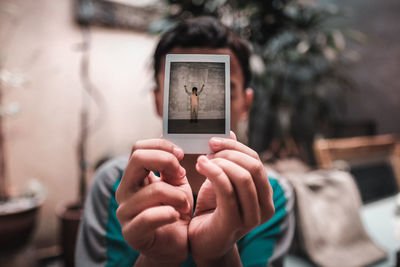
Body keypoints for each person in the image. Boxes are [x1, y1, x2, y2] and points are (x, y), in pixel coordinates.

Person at [76, 16, 294, 267]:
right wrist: (159, 258)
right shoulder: (112, 184)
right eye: (174, 86)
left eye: (224, 89)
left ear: (246, 103)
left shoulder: (271, 193)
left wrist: (219, 254)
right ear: (158, 100)